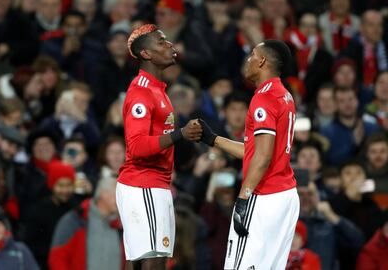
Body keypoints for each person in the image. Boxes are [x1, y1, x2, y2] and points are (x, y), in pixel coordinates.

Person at [199, 40, 299, 269]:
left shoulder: (263, 98)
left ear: (262, 61)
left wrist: (243, 197)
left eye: (252, 55)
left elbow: (262, 157)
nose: (248, 60)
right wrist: (213, 139)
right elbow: (256, 152)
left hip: (264, 195)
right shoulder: (284, 95)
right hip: (285, 196)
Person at [116, 24, 202, 270]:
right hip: (143, 183)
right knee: (154, 262)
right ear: (146, 54)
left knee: (150, 262)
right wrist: (181, 134)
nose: (170, 46)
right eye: (162, 42)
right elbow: (138, 147)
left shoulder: (157, 90)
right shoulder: (141, 93)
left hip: (154, 185)